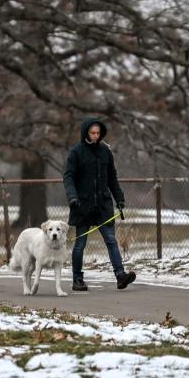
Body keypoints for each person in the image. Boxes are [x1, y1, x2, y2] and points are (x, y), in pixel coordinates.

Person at [63, 117, 137, 291]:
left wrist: (119, 197)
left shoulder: (106, 152)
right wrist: (72, 197)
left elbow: (112, 178)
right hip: (82, 205)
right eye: (92, 133)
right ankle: (77, 279)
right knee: (80, 243)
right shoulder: (76, 153)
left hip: (103, 205)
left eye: (98, 133)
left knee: (111, 240)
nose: (96, 136)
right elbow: (68, 177)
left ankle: (120, 276)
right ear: (86, 133)